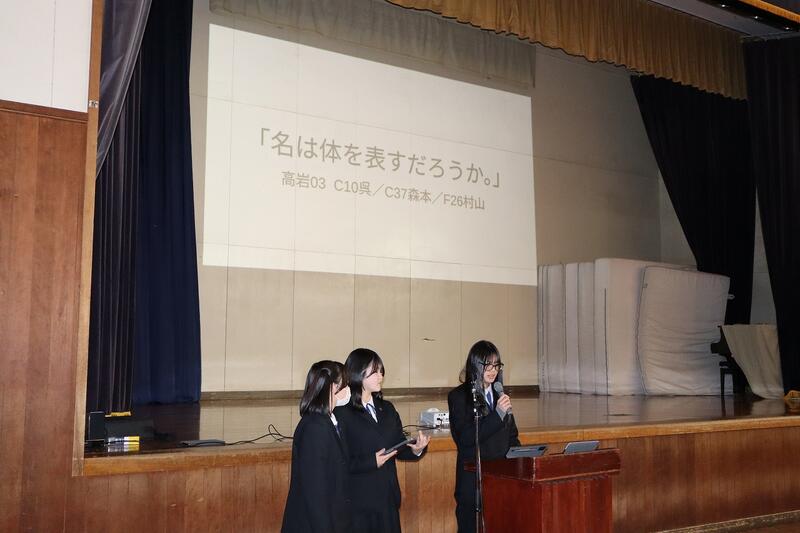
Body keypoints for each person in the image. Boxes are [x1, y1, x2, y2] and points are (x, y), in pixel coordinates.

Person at [334, 348, 430, 533]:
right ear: (357, 373)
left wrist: (416, 449)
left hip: (387, 499)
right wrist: (371, 461)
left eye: (381, 371)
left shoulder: (387, 408)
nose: (380, 376)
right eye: (374, 372)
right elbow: (339, 461)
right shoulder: (342, 413)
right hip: (358, 503)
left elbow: (398, 446)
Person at [448, 340, 520, 533]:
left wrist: (520, 457)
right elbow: (465, 438)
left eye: (496, 365)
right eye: (487, 365)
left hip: (500, 480)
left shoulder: (500, 395)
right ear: (475, 364)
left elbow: (512, 435)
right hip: (473, 482)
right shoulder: (459, 396)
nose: (493, 370)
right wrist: (497, 415)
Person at [281, 360, 352, 533]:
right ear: (333, 387)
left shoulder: (329, 421)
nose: (349, 389)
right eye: (345, 384)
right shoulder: (315, 427)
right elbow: (315, 491)